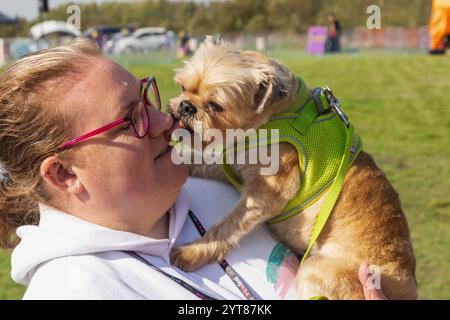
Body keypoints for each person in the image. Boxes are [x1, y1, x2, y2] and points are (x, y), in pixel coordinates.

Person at [0, 39, 386, 300]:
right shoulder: (77, 288)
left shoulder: (213, 188)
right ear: (65, 175)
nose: (165, 120)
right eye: (130, 119)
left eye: (147, 96)